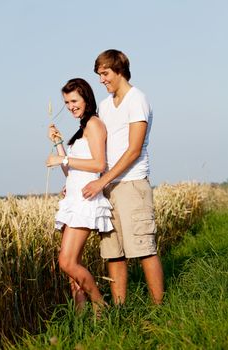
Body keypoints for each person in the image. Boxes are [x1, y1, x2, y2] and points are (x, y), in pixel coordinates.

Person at [82, 49, 164, 305]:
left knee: (143, 250)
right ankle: (120, 311)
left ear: (120, 70)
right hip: (108, 187)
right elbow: (97, 146)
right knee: (113, 253)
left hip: (132, 185)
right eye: (99, 75)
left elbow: (133, 150)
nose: (101, 79)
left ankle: (159, 311)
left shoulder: (136, 99)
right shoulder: (105, 106)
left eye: (105, 73)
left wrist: (101, 181)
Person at [46, 78, 113, 313]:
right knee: (71, 268)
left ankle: (100, 306)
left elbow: (98, 164)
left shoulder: (94, 124)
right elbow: (71, 170)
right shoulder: (82, 128)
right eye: (66, 102)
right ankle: (81, 317)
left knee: (67, 262)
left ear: (86, 97)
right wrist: (59, 145)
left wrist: (61, 159)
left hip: (85, 201)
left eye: (74, 100)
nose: (70, 106)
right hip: (73, 200)